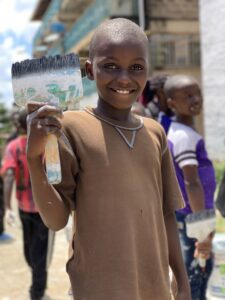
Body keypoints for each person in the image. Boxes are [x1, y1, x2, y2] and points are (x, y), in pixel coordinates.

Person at [26, 18, 191, 300]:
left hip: (154, 288)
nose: (124, 77)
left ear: (147, 72)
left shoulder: (154, 132)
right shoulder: (69, 127)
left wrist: (183, 282)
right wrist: (34, 158)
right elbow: (56, 219)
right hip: (98, 289)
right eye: (110, 66)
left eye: (136, 67)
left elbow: (166, 214)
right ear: (90, 70)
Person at [165, 74, 216, 300]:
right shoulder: (184, 136)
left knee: (195, 276)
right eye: (187, 96)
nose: (196, 99)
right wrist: (202, 232)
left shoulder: (182, 132)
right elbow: (191, 182)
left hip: (191, 216)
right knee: (195, 278)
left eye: (197, 93)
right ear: (171, 104)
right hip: (194, 219)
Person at [1, 109, 52, 300]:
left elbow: (8, 177)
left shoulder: (13, 147)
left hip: (23, 207)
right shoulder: (46, 144)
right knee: (39, 250)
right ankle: (37, 289)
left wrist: (7, 207)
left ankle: (36, 289)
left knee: (29, 247)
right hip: (44, 208)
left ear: (17, 126)